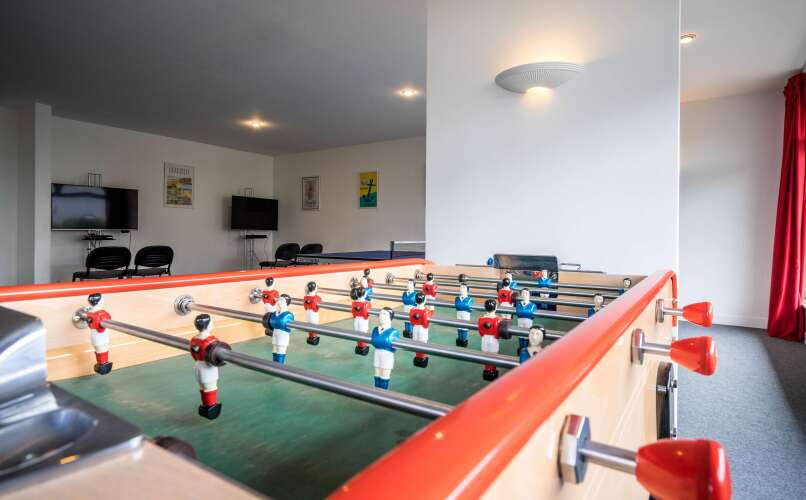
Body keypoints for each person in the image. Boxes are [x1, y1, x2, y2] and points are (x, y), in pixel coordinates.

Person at [370, 308, 401, 389]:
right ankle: (375, 393)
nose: (381, 316)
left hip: (387, 355)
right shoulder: (375, 329)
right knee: (376, 375)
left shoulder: (394, 332)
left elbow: (395, 347)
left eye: (384, 314)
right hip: (377, 353)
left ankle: (383, 394)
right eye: (380, 314)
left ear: (390, 317)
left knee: (384, 376)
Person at [351, 286, 371, 355]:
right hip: (363, 320)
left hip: (356, 320)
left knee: (357, 332)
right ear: (364, 294)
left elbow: (353, 313)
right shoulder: (366, 304)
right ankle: (363, 347)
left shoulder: (354, 303)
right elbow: (366, 314)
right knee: (363, 333)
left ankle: (359, 346)